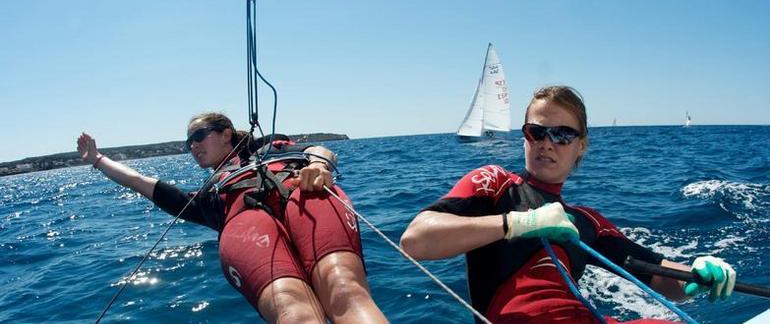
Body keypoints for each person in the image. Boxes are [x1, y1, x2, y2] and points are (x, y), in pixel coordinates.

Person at [400, 86, 736, 324]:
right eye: (537, 132)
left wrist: (699, 275)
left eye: (562, 134)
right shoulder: (493, 182)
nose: (547, 143)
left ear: (581, 146)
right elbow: (415, 241)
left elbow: (660, 277)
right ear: (524, 137)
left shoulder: (588, 222)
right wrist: (517, 224)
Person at [78, 112, 387, 324]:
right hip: (244, 221)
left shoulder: (269, 145)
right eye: (188, 143)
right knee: (292, 310)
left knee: (344, 289)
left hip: (303, 190)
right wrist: (97, 160)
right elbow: (143, 184)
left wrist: (320, 166)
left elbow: (320, 151)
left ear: (226, 134)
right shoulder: (206, 200)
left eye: (199, 136)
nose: (193, 146)